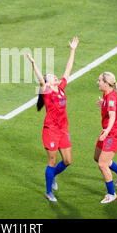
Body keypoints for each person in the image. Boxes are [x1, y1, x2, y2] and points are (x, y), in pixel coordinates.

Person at [27, 37, 79, 202]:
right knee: (52, 161)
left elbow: (68, 69)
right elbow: (41, 81)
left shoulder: (61, 88)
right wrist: (34, 65)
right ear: (48, 83)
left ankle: (53, 176)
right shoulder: (47, 92)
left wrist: (72, 50)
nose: (54, 76)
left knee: (68, 161)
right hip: (50, 131)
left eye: (53, 76)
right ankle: (49, 192)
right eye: (50, 77)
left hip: (63, 130)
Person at [94, 72, 117, 204]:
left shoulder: (111, 98)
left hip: (114, 135)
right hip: (108, 133)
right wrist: (103, 104)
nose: (97, 82)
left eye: (99, 80)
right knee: (97, 157)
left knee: (102, 164)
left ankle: (111, 194)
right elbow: (110, 108)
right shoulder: (107, 95)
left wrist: (106, 132)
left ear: (106, 83)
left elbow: (113, 117)